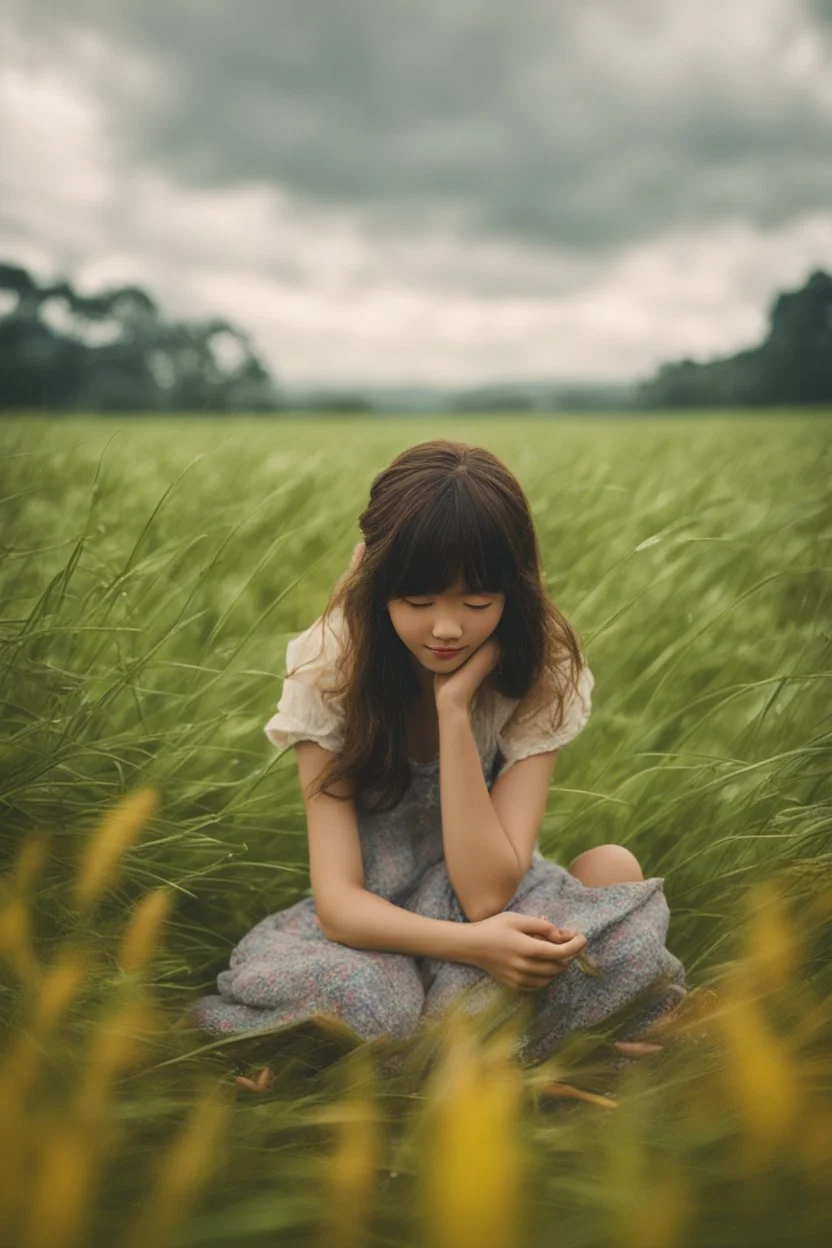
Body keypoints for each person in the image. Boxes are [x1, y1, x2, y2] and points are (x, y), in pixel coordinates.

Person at [185, 440, 686, 1086]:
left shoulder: (540, 671)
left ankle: (420, 1062)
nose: (447, 629)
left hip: (485, 899)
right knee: (379, 1005)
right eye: (418, 602)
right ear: (373, 577)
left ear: (514, 586)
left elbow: (485, 895)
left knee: (611, 876)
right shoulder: (329, 671)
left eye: (476, 603)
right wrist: (479, 948)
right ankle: (518, 1051)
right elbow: (339, 902)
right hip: (370, 930)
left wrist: (455, 714)